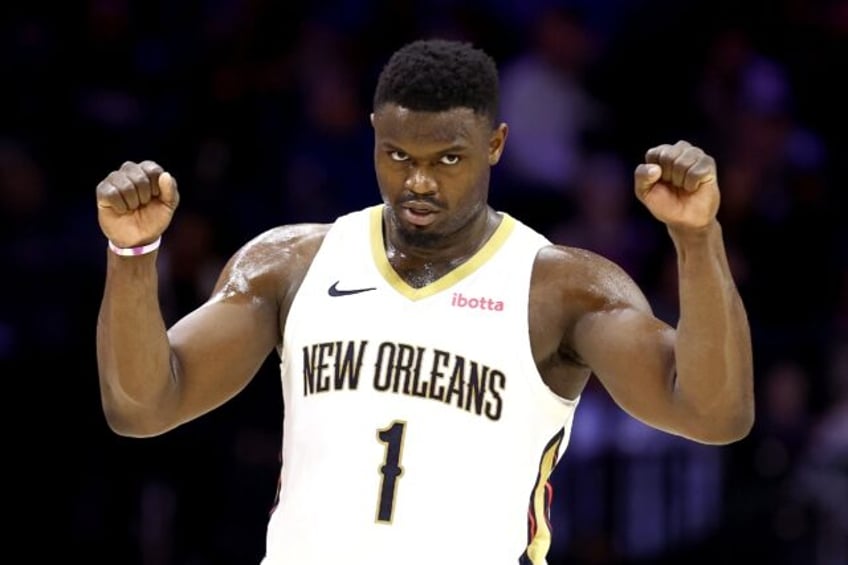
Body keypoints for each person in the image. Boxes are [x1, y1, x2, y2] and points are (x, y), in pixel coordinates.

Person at [95, 38, 755, 565]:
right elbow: (144, 405)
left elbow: (713, 411)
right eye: (397, 154)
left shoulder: (558, 287)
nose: (417, 181)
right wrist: (131, 256)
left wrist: (697, 239)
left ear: (495, 144)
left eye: (448, 159)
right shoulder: (291, 264)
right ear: (374, 134)